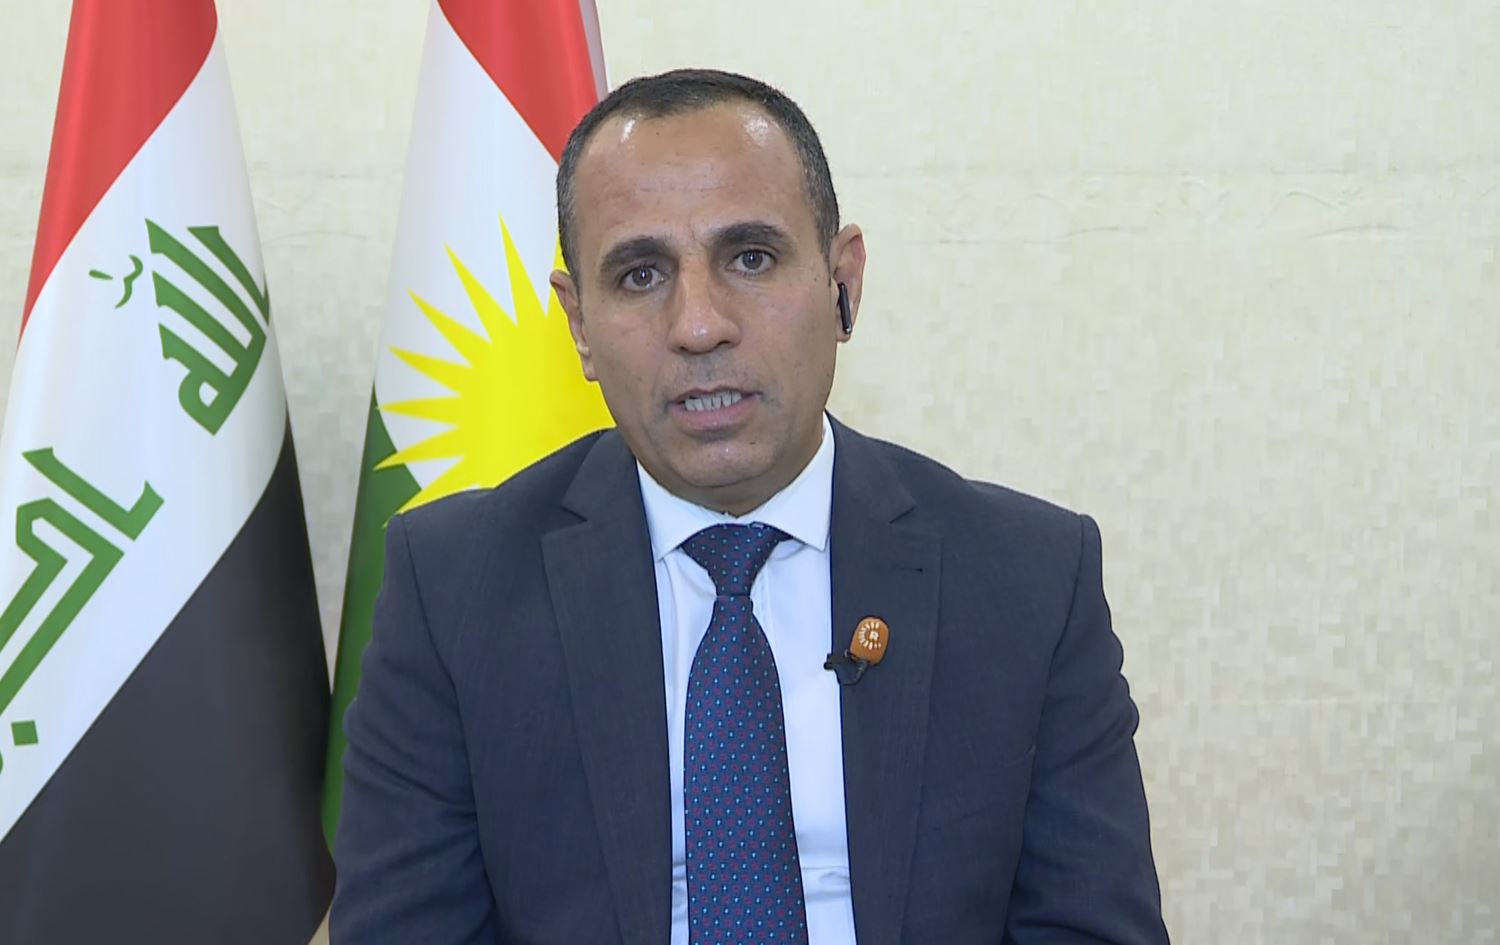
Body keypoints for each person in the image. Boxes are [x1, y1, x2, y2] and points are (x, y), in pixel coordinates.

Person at [331, 68, 1170, 945]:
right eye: (641, 274)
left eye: (751, 258)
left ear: (843, 283)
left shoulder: (1030, 581)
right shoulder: (453, 589)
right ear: (578, 323)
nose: (699, 325)